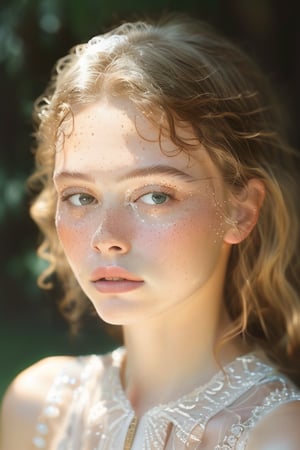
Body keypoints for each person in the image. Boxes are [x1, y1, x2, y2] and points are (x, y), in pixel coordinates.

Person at [1, 14, 300, 450]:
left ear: (241, 210)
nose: (106, 237)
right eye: (81, 197)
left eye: (155, 195)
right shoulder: (35, 407)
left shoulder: (278, 437)